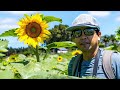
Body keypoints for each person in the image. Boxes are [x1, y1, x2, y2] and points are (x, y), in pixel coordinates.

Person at [66, 14, 120, 79]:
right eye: (77, 33)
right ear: (74, 38)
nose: (83, 37)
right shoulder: (73, 63)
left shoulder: (114, 60)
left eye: (89, 32)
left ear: (99, 35)